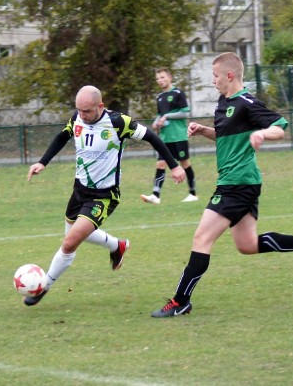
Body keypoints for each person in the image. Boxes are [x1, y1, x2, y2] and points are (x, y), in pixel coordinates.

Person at [151, 52, 293, 318]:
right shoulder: (224, 102)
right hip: (240, 182)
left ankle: (180, 301)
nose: (213, 81)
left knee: (202, 238)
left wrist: (262, 133)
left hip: (237, 183)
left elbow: (280, 126)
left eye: (216, 76)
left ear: (229, 76)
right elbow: (224, 136)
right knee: (247, 245)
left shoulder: (247, 103)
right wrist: (204, 131)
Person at [24, 85, 186, 306]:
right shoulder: (78, 118)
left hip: (104, 196)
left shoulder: (118, 122)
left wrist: (174, 166)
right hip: (79, 190)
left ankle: (43, 286)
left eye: (87, 111)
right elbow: (62, 136)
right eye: (79, 110)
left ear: (100, 106)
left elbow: (152, 138)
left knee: (69, 243)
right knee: (77, 234)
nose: (82, 115)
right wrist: (42, 162)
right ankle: (117, 246)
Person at [140, 67, 198, 205]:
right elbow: (160, 114)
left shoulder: (178, 93)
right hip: (165, 138)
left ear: (170, 78)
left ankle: (193, 193)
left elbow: (184, 113)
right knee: (160, 164)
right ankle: (155, 195)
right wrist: (155, 123)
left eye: (163, 77)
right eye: (158, 79)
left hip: (179, 136)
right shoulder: (159, 97)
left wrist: (167, 116)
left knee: (185, 164)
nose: (160, 80)